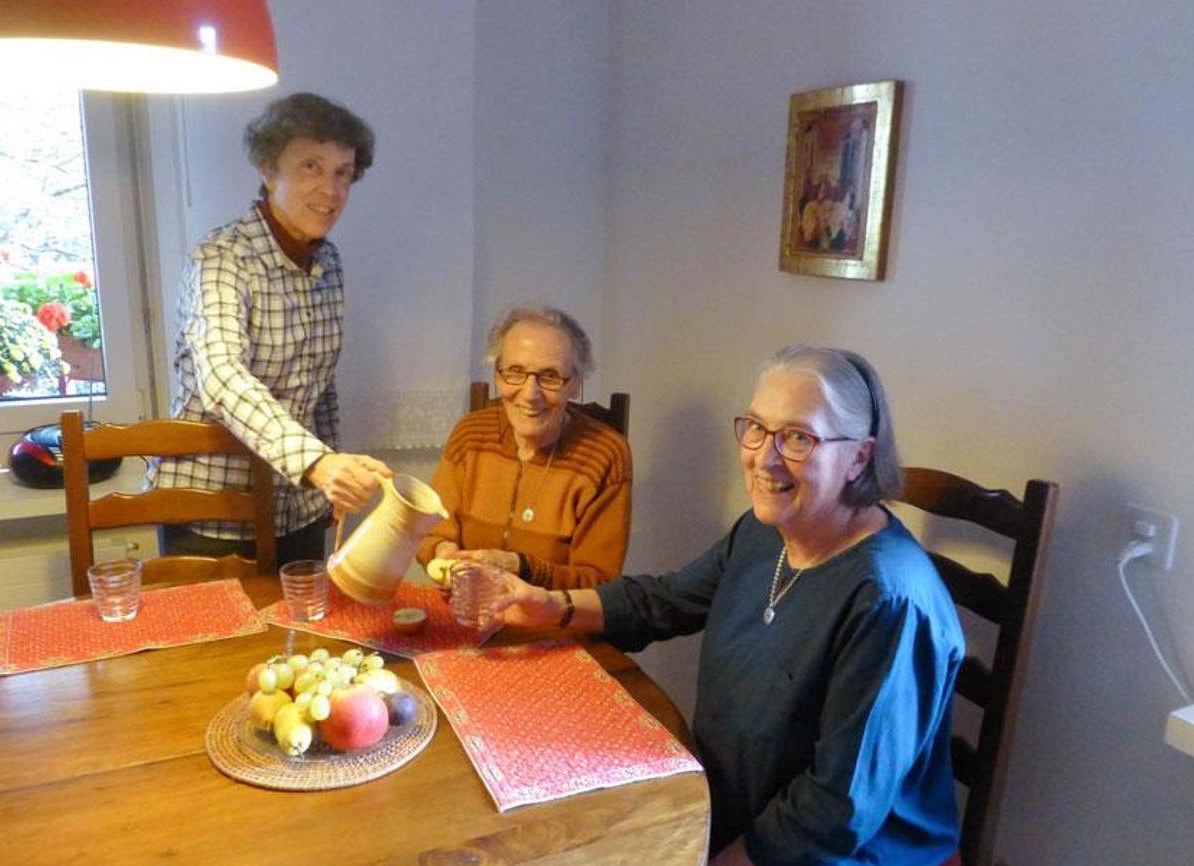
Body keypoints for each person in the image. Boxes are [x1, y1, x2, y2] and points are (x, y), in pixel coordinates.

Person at [491, 345, 964, 866]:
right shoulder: (767, 533)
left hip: (835, 853)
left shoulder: (888, 601)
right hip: (729, 808)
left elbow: (838, 809)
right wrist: (548, 606)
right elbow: (665, 599)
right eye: (757, 427)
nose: (765, 458)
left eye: (798, 438)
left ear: (860, 457)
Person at [147, 93, 392, 566]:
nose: (331, 189)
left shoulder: (329, 261)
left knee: (301, 637)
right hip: (213, 512)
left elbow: (319, 390)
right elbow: (221, 376)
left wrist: (326, 486)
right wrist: (318, 464)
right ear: (268, 169)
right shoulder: (221, 258)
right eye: (311, 167)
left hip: (297, 505)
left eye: (343, 173)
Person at [415, 305, 632, 590]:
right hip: (467, 612)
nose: (530, 394)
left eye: (550, 376)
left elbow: (599, 583)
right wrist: (443, 553)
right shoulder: (470, 435)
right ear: (497, 374)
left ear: (575, 384)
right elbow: (427, 533)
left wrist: (523, 569)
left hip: (553, 625)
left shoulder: (606, 454)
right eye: (515, 372)